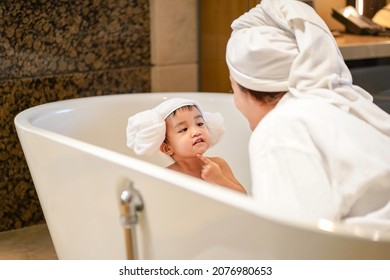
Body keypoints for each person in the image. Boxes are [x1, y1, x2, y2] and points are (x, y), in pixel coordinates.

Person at [225, 0, 390, 228]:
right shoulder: (341, 105)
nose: (233, 102)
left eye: (232, 87)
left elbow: (297, 248)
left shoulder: (281, 130)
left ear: (248, 90)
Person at [126, 97, 246, 193]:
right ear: (167, 148)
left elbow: (245, 198)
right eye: (183, 129)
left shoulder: (218, 165)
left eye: (199, 123)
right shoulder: (166, 177)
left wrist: (220, 179)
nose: (196, 131)